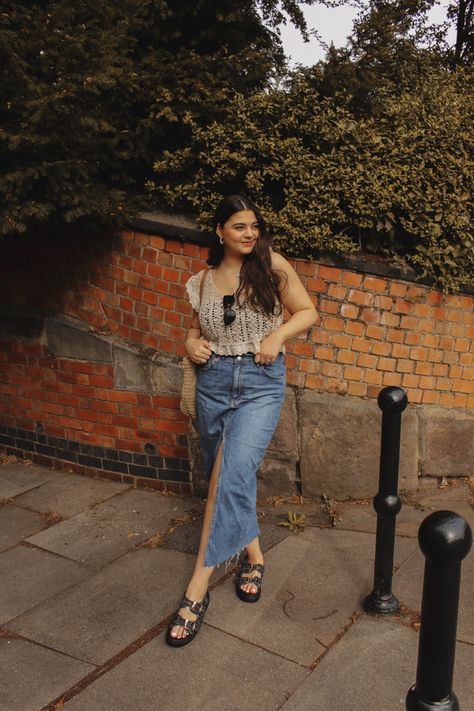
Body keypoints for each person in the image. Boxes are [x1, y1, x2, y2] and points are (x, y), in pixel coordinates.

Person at [166, 194, 318, 646]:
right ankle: (254, 556)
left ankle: (196, 591)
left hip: (260, 382)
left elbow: (308, 311)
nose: (250, 233)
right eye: (239, 226)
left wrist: (278, 333)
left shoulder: (272, 266)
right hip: (213, 384)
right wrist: (189, 346)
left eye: (254, 225)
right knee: (226, 477)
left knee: (228, 476)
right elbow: (195, 329)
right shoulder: (203, 281)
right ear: (219, 231)